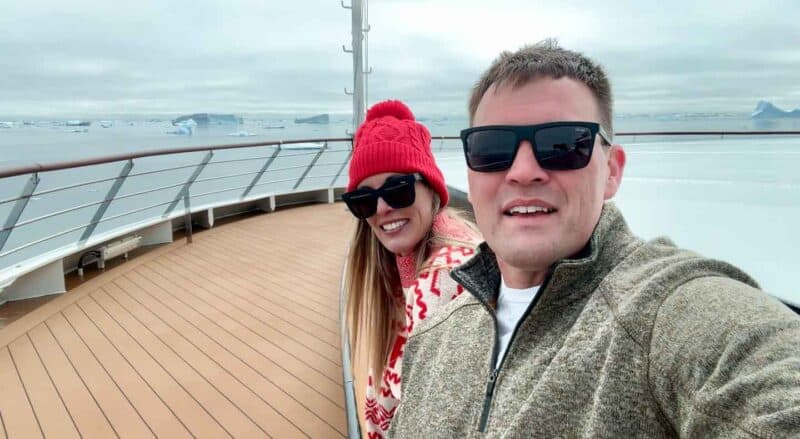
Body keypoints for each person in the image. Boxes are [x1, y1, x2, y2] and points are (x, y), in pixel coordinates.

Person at [389, 40, 800, 437]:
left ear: (612, 171)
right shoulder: (433, 337)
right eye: (492, 148)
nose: (523, 171)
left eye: (564, 144)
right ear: (470, 175)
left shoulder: (662, 311)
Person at [341, 100, 480, 438]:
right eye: (363, 200)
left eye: (398, 189)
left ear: (431, 189)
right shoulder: (420, 260)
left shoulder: (444, 280)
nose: (382, 208)